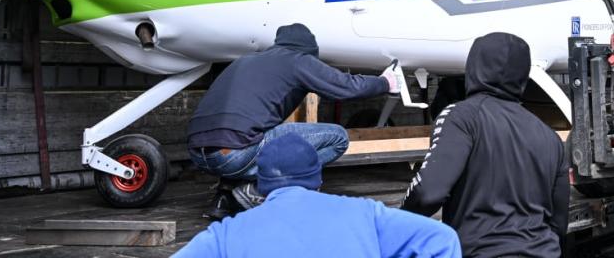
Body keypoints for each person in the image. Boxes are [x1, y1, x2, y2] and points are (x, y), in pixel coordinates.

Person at [187, 23, 398, 218]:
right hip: (235, 154)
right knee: (338, 137)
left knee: (251, 131)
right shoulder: (298, 59)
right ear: (309, 50)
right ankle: (257, 191)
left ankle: (223, 199)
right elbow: (346, 86)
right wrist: (384, 82)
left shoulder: (246, 60)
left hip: (198, 153)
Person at [401, 32, 570, 258]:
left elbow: (427, 193)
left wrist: (397, 222)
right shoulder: (550, 136)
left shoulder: (461, 116)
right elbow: (559, 223)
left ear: (474, 67)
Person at [173, 133, 461, 258]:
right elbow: (442, 239)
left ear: (260, 187)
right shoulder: (366, 215)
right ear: (318, 179)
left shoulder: (226, 235)